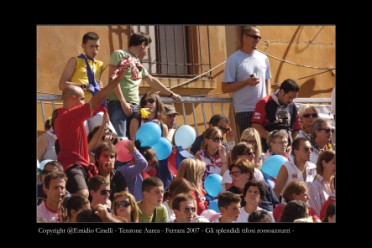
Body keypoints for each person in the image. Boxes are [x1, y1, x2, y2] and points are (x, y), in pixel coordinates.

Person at [53, 68, 125, 198]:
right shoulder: (67, 116)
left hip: (83, 166)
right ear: (73, 99)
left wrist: (103, 125)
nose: (83, 103)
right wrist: (117, 81)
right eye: (82, 99)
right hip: (73, 166)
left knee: (98, 196)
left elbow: (89, 147)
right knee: (83, 194)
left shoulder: (73, 120)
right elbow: (98, 98)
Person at [107, 32, 181, 138]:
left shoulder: (138, 64)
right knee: (120, 138)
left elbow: (151, 80)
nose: (147, 52)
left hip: (136, 106)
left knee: (139, 138)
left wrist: (171, 94)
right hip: (118, 104)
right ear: (142, 45)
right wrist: (123, 102)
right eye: (147, 48)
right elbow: (113, 79)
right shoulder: (119, 54)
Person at [59, 32, 114, 134]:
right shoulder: (75, 61)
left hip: (95, 107)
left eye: (97, 47)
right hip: (78, 108)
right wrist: (82, 86)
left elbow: (98, 84)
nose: (94, 50)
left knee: (107, 135)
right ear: (83, 46)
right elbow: (62, 85)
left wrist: (99, 85)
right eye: (91, 46)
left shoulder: (100, 64)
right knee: (84, 138)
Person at [222, 25, 271, 136]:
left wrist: (268, 100)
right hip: (244, 110)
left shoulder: (263, 58)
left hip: (262, 109)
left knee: (264, 144)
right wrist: (246, 82)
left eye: (259, 37)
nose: (257, 40)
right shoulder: (233, 59)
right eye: (254, 37)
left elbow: (268, 80)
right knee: (248, 145)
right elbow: (224, 88)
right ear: (245, 37)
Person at [252, 78, 301, 152]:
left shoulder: (292, 106)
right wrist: (272, 139)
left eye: (293, 98)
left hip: (286, 150)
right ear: (281, 92)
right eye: (290, 97)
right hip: (267, 148)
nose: (291, 101)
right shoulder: (264, 102)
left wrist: (291, 144)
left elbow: (296, 129)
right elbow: (255, 125)